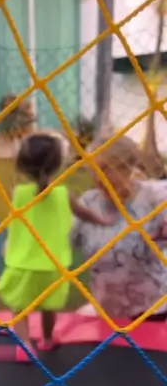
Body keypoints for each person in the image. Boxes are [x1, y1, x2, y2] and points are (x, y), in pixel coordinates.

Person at [0, 132, 114, 361]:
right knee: (49, 306)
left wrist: (9, 244)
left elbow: (16, 220)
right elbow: (84, 213)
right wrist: (102, 220)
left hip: (23, 263)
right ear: (58, 165)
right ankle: (48, 339)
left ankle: (25, 345)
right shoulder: (64, 194)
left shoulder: (18, 194)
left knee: (21, 308)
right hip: (53, 264)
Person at [71, 136, 167, 322]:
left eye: (105, 169)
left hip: (153, 312)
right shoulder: (88, 203)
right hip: (107, 313)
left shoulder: (153, 200)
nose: (98, 178)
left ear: (127, 167)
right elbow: (62, 242)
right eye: (93, 169)